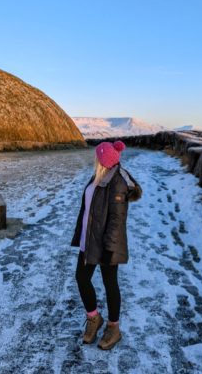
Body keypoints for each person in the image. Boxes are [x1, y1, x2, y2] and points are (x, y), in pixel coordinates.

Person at [71, 140, 142, 350]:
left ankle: (114, 327)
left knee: (110, 284)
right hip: (89, 240)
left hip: (105, 244)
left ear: (104, 159)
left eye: (97, 155)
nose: (94, 158)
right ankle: (94, 318)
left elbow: (116, 220)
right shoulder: (100, 175)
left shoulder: (117, 181)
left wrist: (110, 249)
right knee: (81, 278)